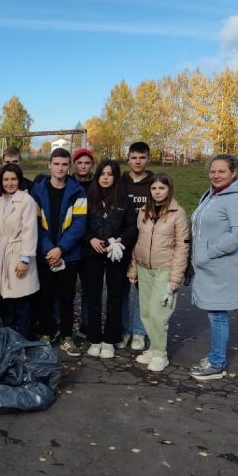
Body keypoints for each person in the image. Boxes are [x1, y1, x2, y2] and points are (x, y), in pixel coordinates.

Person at [189, 154, 238, 380]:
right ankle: (216, 357)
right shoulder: (213, 195)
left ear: (233, 173)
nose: (216, 175)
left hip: (221, 265)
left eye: (221, 171)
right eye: (213, 171)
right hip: (208, 265)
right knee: (214, 313)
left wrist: (209, 251)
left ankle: (217, 363)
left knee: (218, 315)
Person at [127, 173, 189, 372]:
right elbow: (138, 242)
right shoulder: (144, 211)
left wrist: (175, 278)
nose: (157, 192)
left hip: (165, 269)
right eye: (154, 188)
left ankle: (161, 354)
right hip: (145, 269)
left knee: (158, 313)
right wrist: (133, 268)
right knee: (145, 312)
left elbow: (182, 246)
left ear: (169, 189)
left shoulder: (177, 213)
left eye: (161, 188)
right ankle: (153, 349)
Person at [31, 148, 87, 357]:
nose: (60, 168)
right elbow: (35, 223)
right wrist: (49, 249)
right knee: (45, 296)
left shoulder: (77, 191)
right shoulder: (37, 190)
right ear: (49, 165)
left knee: (66, 297)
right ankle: (46, 333)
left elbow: (79, 224)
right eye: (57, 164)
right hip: (45, 255)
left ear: (69, 166)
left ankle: (66, 336)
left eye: (64, 164)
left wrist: (61, 249)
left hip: (68, 255)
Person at [83, 159, 137, 359]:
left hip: (116, 252)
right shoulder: (88, 197)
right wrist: (91, 239)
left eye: (110, 174)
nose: (106, 178)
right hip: (93, 253)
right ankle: (95, 338)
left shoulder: (124, 199)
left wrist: (121, 239)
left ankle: (110, 339)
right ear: (97, 176)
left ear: (115, 177)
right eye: (102, 174)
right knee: (93, 295)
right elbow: (81, 224)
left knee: (115, 296)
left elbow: (132, 226)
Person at [0, 164, 40, 339]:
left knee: (23, 301)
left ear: (19, 180)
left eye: (13, 179)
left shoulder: (27, 200)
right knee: (7, 301)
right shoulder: (0, 200)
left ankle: (23, 340)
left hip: (20, 252)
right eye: (6, 179)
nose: (9, 183)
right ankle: (10, 339)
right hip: (4, 253)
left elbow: (30, 231)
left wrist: (25, 259)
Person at [121, 141, 153, 351]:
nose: (138, 161)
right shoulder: (120, 181)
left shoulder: (154, 182)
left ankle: (139, 332)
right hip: (122, 240)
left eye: (142, 157)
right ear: (128, 159)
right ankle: (124, 330)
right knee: (121, 288)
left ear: (148, 159)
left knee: (143, 289)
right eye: (134, 157)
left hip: (145, 241)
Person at [71, 148, 95, 339]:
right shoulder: (68, 183)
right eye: (80, 163)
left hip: (89, 245)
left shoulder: (97, 185)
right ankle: (64, 324)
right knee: (66, 289)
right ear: (74, 164)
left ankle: (86, 324)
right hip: (70, 243)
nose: (83, 166)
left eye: (86, 163)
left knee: (88, 287)